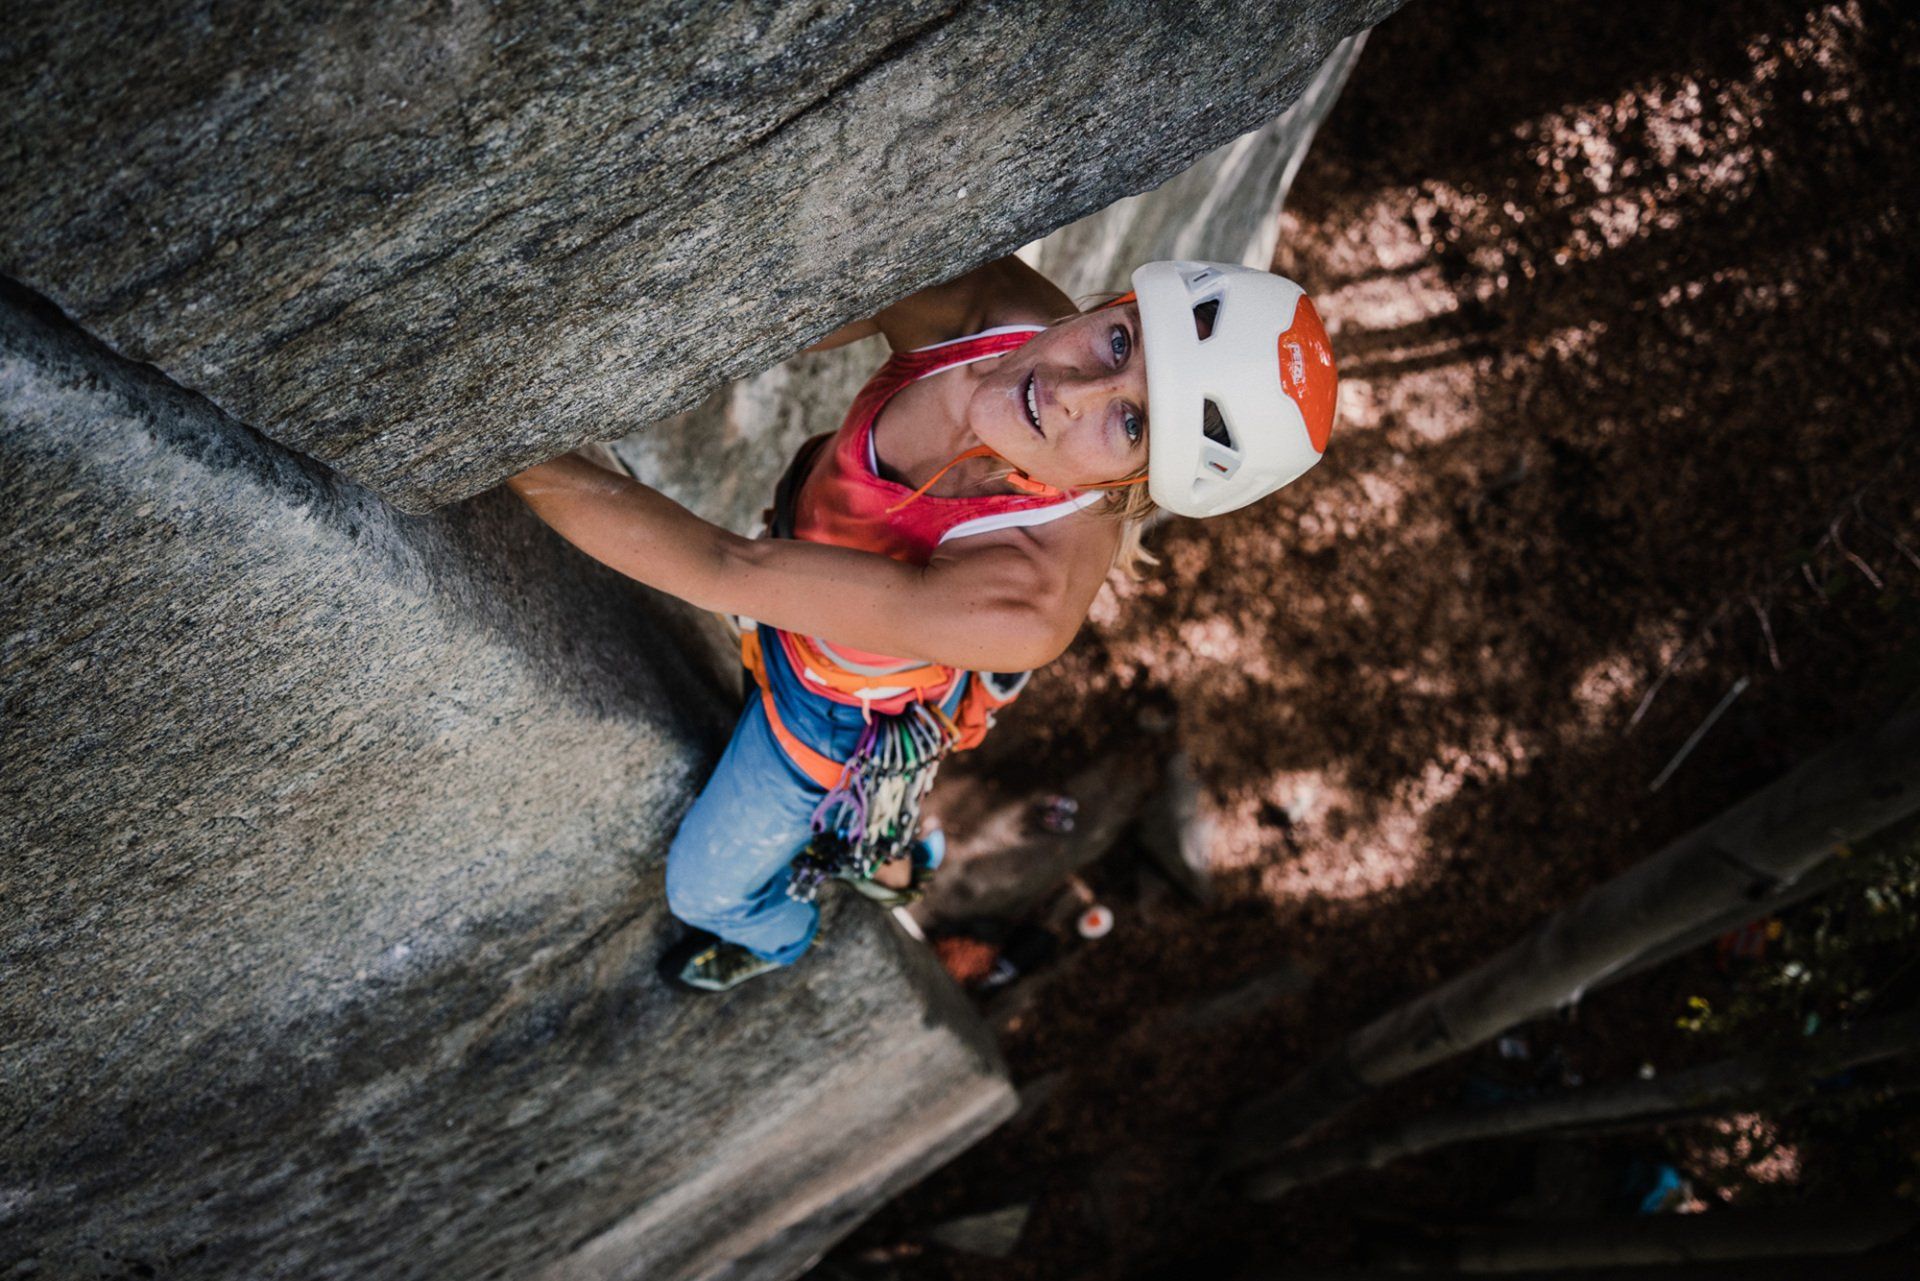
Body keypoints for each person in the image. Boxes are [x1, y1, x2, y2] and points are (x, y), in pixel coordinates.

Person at [505, 255, 1337, 991]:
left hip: (830, 707)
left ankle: (780, 935)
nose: (1070, 393)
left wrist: (497, 441)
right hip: (821, 586)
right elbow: (770, 317)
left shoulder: (1029, 599)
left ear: (1135, 487)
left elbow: (731, 569)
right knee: (866, 822)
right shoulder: (993, 306)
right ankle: (897, 854)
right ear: (1115, 302)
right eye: (1120, 343)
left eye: (1131, 423)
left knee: (705, 892)